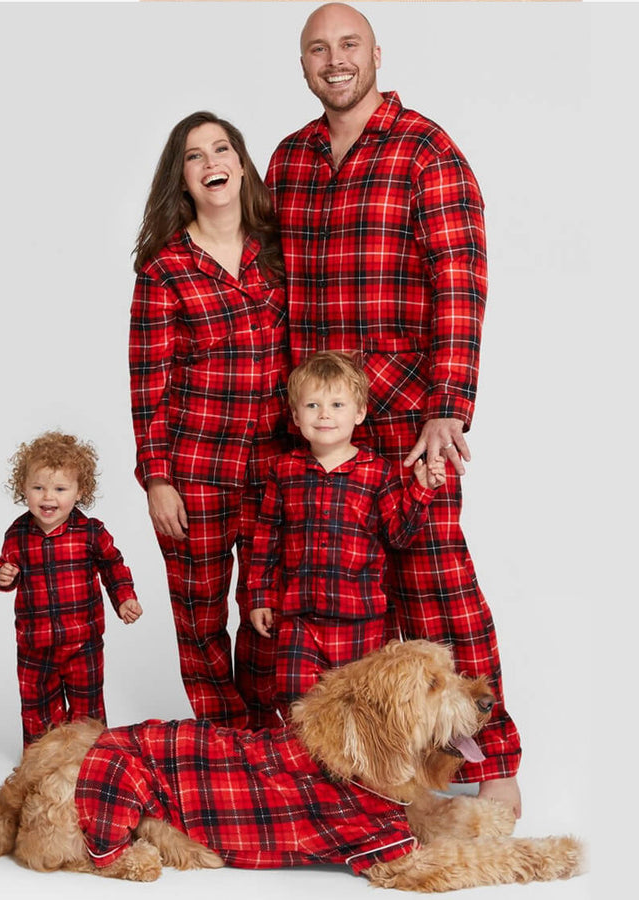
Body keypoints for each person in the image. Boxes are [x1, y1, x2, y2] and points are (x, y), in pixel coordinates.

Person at [265, 3, 521, 814]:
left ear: (376, 53)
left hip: (409, 421)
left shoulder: (425, 150)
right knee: (327, 601)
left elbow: (461, 279)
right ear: (303, 64)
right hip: (320, 424)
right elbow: (270, 284)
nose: (334, 60)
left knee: (438, 587)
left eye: (348, 45)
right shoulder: (289, 159)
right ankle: (354, 768)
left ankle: (493, 761)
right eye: (318, 49)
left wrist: (450, 405)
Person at [129, 111, 289, 730]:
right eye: (194, 156)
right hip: (195, 472)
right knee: (200, 616)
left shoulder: (278, 252)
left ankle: (267, 731)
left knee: (268, 605)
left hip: (275, 463)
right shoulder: (164, 270)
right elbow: (148, 386)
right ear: (182, 178)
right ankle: (225, 737)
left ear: (242, 166)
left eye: (222, 149)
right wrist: (157, 479)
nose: (211, 162)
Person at [247, 351, 446, 717]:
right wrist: (259, 596)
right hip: (300, 618)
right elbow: (266, 540)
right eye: (313, 405)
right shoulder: (283, 470)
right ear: (296, 416)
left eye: (337, 405)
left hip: (361, 618)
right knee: (297, 704)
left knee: (360, 708)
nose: (324, 414)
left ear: (359, 413)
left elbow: (398, 536)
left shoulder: (377, 472)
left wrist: (421, 490)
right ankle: (297, 757)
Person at [0, 431, 143, 747]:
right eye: (38, 488)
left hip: (82, 642)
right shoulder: (17, 533)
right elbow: (5, 568)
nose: (48, 497)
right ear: (24, 488)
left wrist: (124, 598)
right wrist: (4, 575)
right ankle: (40, 761)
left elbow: (113, 566)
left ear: (79, 491)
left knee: (87, 709)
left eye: (60, 489)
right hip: (35, 645)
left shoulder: (90, 532)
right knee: (37, 710)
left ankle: (90, 758)